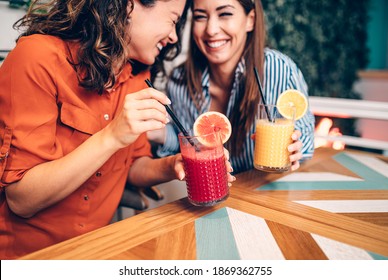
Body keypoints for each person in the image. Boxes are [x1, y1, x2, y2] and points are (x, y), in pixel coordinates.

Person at [0, 0, 233, 259]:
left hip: (98, 250)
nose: (174, 36)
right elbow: (21, 200)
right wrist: (111, 136)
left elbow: (132, 166)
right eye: (174, 20)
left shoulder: (136, 77)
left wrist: (175, 165)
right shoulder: (37, 57)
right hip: (27, 258)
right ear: (130, 6)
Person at [148, 0, 315, 174]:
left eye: (225, 14)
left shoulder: (279, 70)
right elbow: (188, 141)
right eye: (200, 17)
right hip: (216, 196)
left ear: (250, 20)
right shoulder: (180, 80)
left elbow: (306, 141)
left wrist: (294, 147)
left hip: (265, 190)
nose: (211, 29)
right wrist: (158, 134)